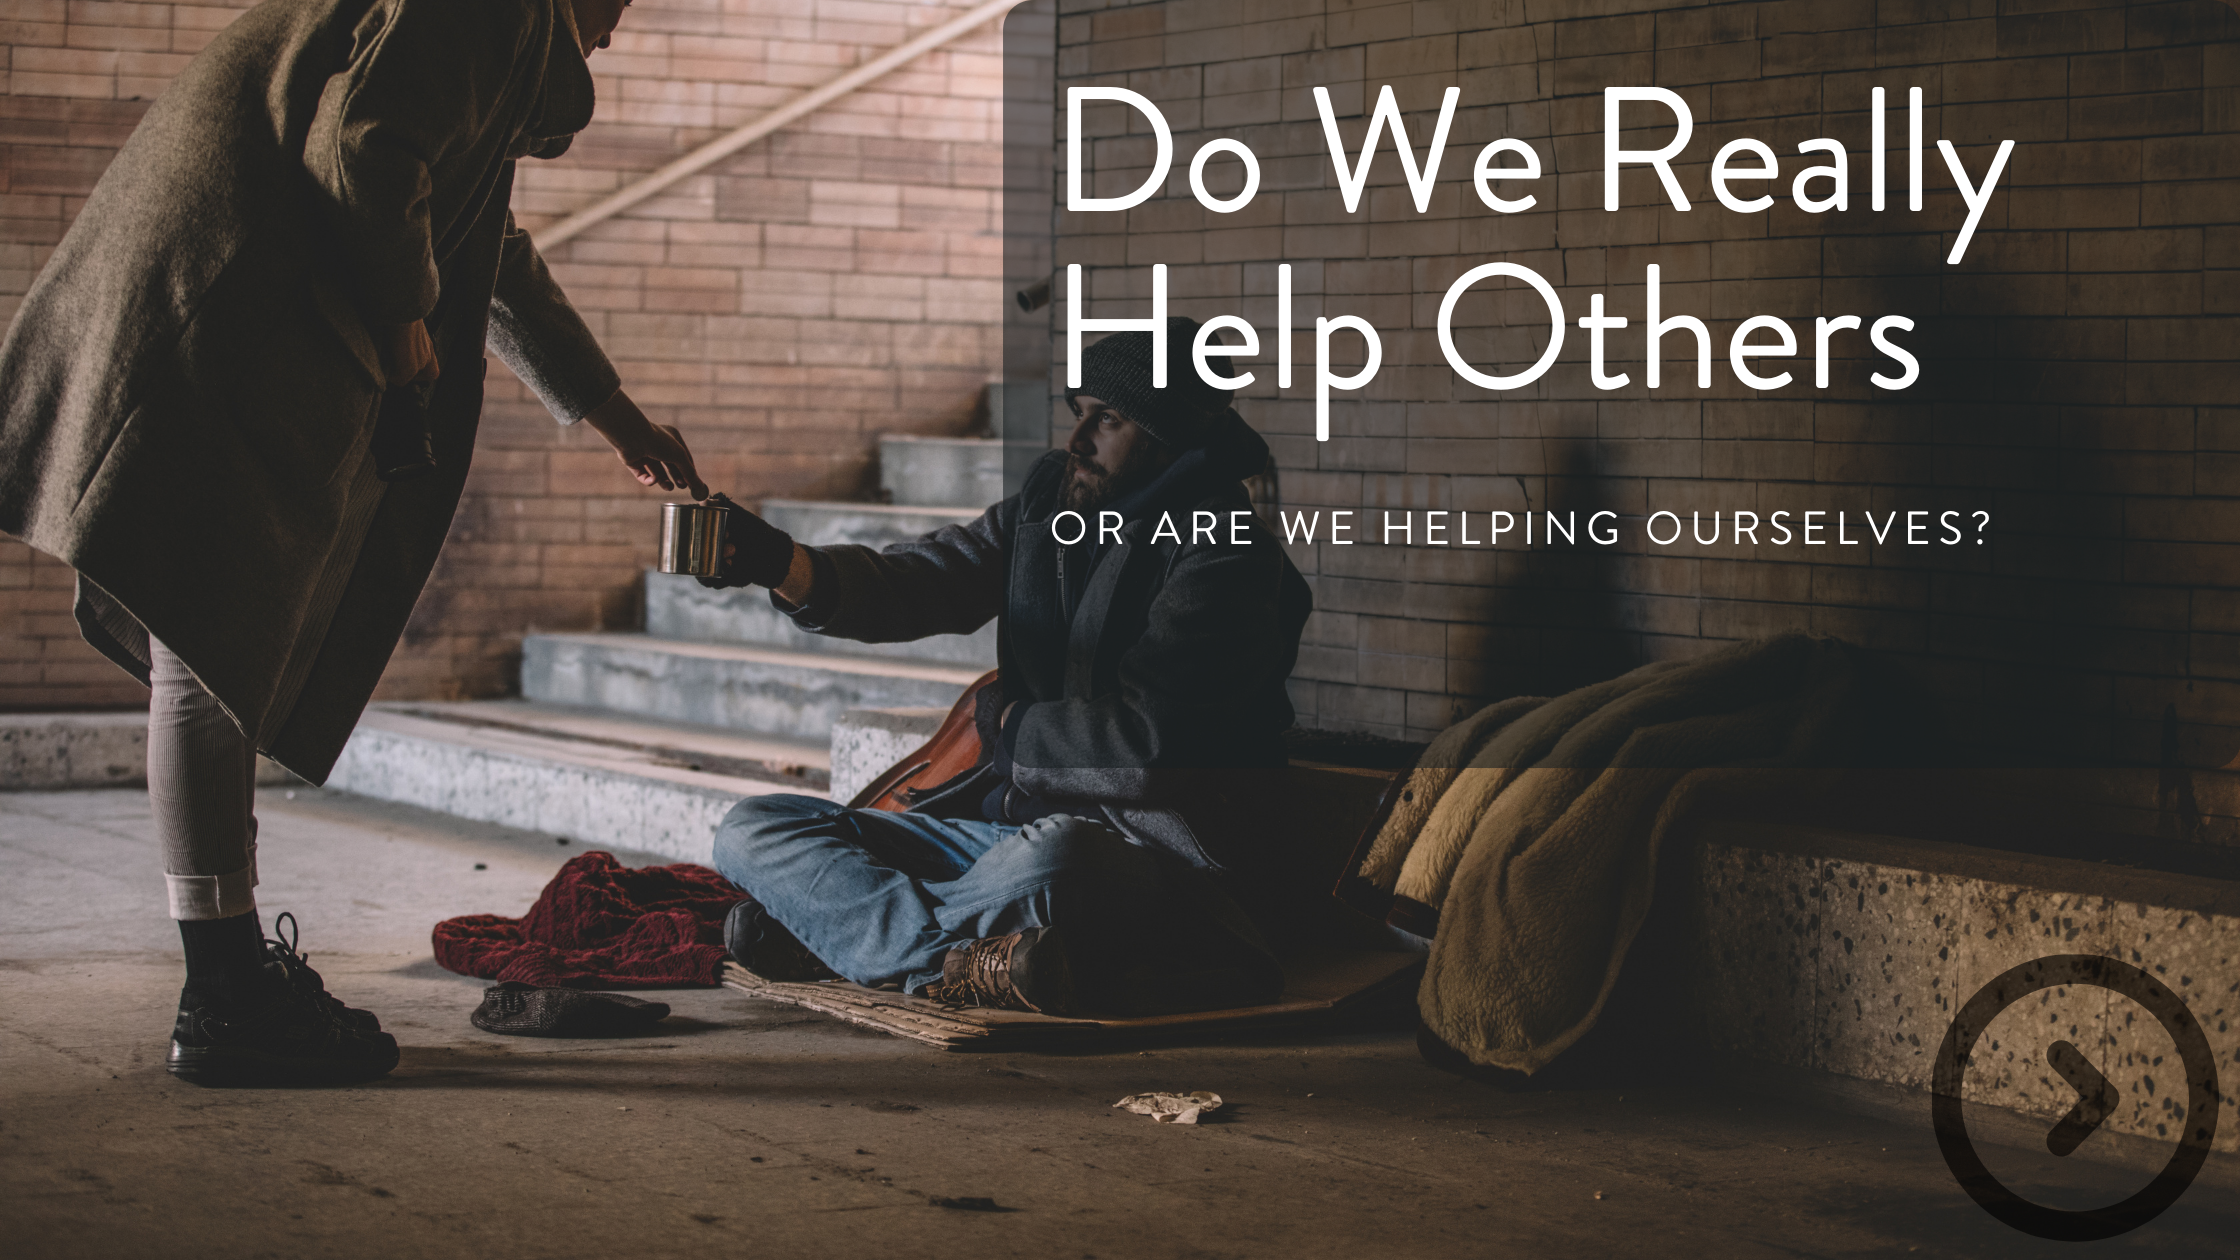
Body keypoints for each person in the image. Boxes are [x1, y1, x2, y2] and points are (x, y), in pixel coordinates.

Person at [0, 0, 705, 1085]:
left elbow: (482, 245)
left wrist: (614, 417)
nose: (621, 22)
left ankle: (226, 974)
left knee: (207, 644)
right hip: (233, 312)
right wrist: (400, 320)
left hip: (215, 297)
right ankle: (225, 994)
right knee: (211, 640)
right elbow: (366, 150)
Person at [703, 317, 1311, 1016]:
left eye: (1106, 420)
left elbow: (1146, 749)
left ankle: (846, 938)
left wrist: (1009, 724)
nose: (1077, 440)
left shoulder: (1226, 555)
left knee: (1058, 858)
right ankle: (955, 962)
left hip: (1142, 855)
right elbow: (920, 581)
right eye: (1078, 413)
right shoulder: (1052, 503)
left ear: (1168, 436)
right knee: (753, 829)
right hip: (995, 837)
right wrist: (780, 564)